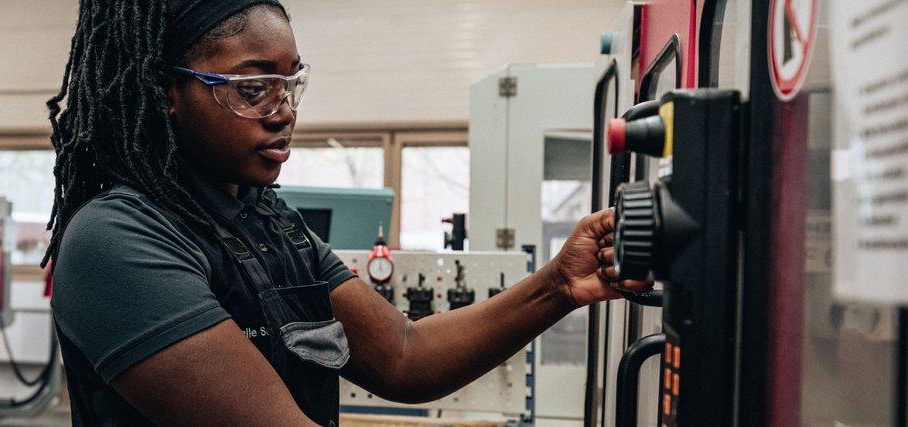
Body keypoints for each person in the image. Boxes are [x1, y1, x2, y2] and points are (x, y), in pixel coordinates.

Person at [42, 1, 648, 425]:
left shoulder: (267, 222)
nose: (283, 111)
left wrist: (558, 285)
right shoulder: (118, 240)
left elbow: (405, 355)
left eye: (290, 85)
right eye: (253, 89)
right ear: (163, 93)